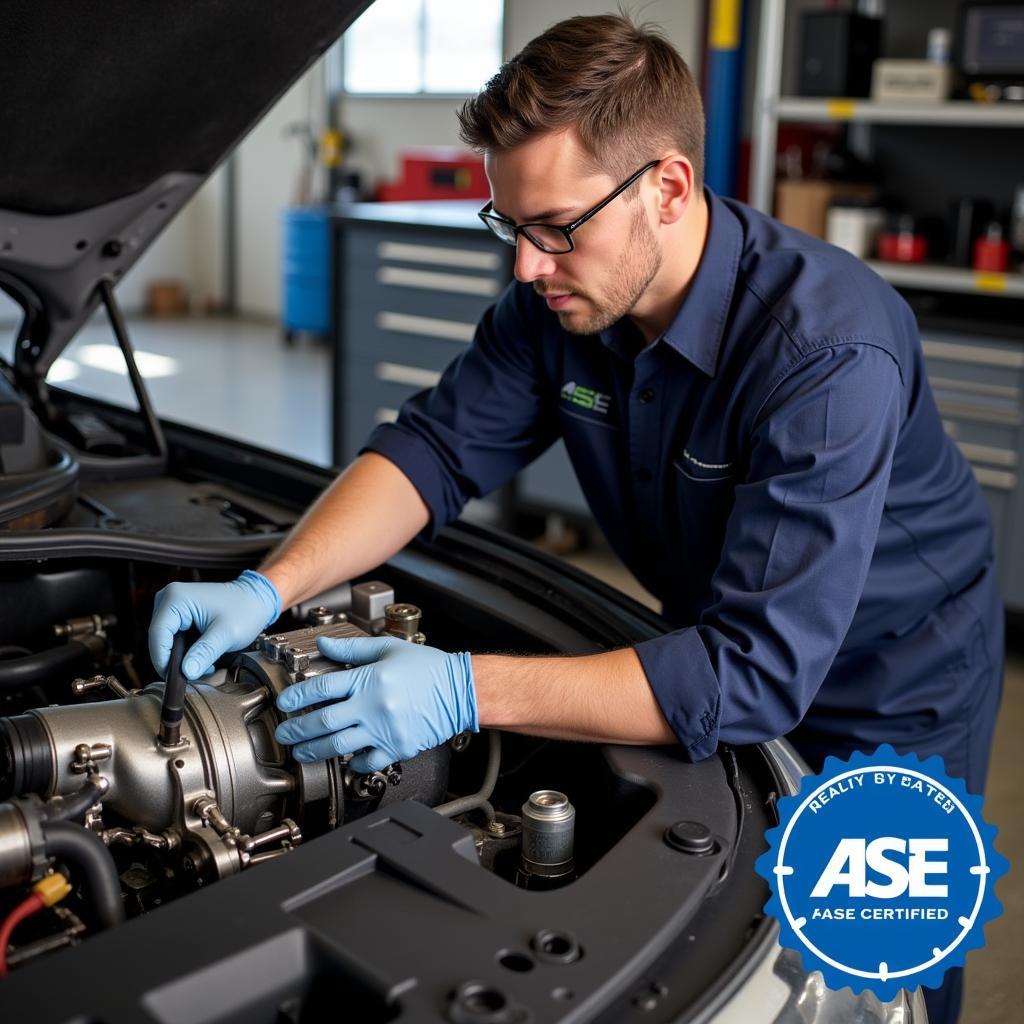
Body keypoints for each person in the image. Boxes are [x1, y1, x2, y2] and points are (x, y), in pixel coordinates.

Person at [149, 16, 1001, 1022]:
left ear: (669, 188)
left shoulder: (825, 355)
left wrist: (465, 689)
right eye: (510, 227)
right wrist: (270, 585)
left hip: (893, 685)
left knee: (867, 975)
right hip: (713, 642)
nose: (526, 266)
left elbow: (757, 673)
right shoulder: (562, 302)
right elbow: (433, 450)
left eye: (557, 227)